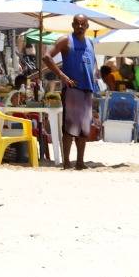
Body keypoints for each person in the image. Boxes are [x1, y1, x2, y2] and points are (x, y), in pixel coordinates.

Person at [43, 13, 100, 170]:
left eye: (83, 24)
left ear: (87, 26)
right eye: (77, 24)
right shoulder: (65, 40)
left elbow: (92, 61)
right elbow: (47, 57)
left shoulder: (90, 42)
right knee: (69, 128)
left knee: (84, 129)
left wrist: (95, 74)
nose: (80, 26)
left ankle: (80, 162)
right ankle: (67, 162)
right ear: (73, 25)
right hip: (72, 89)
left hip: (88, 89)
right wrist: (62, 75)